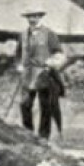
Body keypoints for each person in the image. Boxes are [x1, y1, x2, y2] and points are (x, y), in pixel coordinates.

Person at [17, 8, 67, 139]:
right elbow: (18, 53)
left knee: (46, 106)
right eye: (29, 17)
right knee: (24, 104)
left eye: (34, 16)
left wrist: (51, 63)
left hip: (43, 74)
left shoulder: (49, 34)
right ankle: (27, 133)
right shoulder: (23, 35)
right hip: (27, 75)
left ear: (40, 17)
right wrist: (19, 65)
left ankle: (43, 136)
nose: (31, 19)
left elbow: (58, 53)